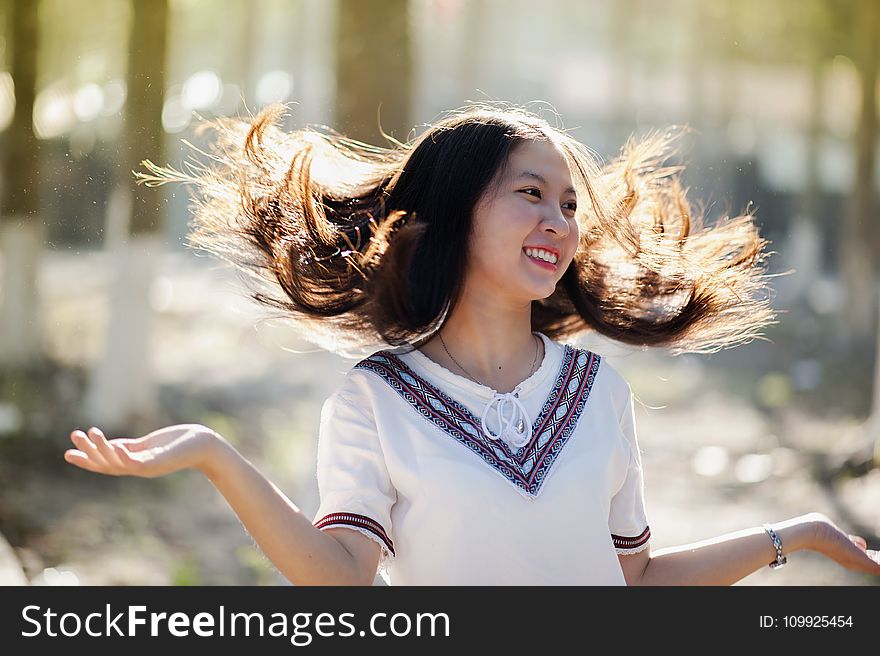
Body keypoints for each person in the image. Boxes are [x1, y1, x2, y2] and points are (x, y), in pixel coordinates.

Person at [65, 102, 880, 585]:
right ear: (452, 213)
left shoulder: (598, 391)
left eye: (567, 204)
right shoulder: (376, 399)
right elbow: (342, 577)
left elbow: (632, 579)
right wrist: (215, 454)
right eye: (530, 195)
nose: (558, 222)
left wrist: (794, 536)